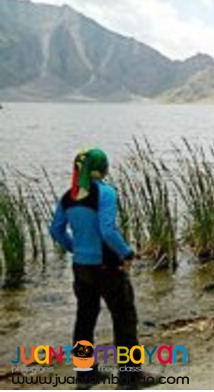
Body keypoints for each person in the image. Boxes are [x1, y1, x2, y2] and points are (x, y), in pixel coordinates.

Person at [49, 148, 142, 390]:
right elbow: (108, 230)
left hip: (81, 268)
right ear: (102, 169)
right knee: (124, 319)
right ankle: (130, 377)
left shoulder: (68, 196)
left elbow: (56, 230)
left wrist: (77, 249)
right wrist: (126, 252)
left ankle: (85, 374)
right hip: (107, 266)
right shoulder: (106, 193)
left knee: (84, 320)